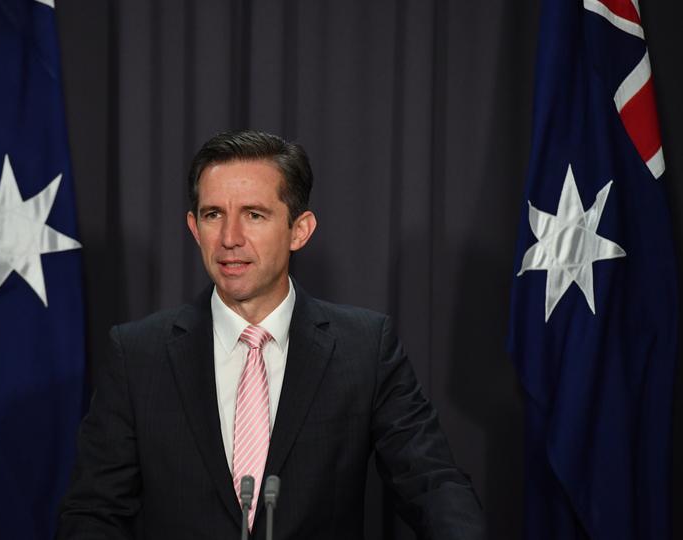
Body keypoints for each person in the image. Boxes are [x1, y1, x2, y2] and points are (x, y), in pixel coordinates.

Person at [57, 130, 485, 539]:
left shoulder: (365, 348)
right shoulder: (138, 355)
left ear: (299, 230)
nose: (229, 238)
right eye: (213, 215)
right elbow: (94, 512)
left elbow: (432, 483)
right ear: (193, 227)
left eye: (254, 215)